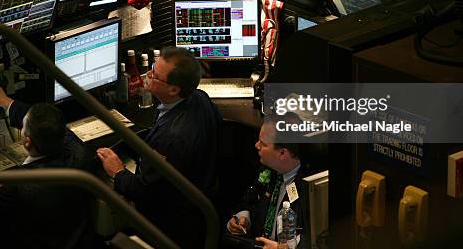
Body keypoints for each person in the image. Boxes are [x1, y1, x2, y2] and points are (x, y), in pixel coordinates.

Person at [97, 46, 222, 248]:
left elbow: (145, 191)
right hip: (200, 202)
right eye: (152, 68)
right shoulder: (200, 98)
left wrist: (117, 172)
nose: (148, 74)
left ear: (173, 89)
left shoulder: (173, 137)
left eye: (154, 75)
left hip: (172, 225)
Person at [0, 83, 96, 248]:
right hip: (76, 240)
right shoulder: (80, 153)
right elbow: (54, 125)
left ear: (26, 141)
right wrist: (5, 101)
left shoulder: (16, 184)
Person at [226, 113, 310, 249]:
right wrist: (243, 217)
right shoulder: (268, 169)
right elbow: (249, 200)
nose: (256, 145)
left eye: (263, 144)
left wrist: (284, 248)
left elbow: (316, 236)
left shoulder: (310, 185)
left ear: (282, 153)